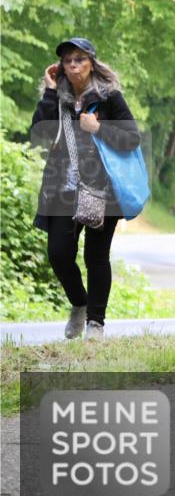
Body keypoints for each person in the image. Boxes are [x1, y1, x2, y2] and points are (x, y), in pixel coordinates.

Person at [31, 37, 141, 341]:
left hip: (104, 190)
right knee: (58, 254)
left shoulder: (109, 97)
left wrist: (100, 129)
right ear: (62, 67)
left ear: (92, 62)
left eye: (79, 59)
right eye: (68, 61)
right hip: (64, 188)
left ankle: (96, 323)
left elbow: (132, 138)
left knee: (96, 255)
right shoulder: (58, 98)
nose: (73, 65)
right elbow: (40, 136)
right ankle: (79, 303)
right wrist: (51, 93)